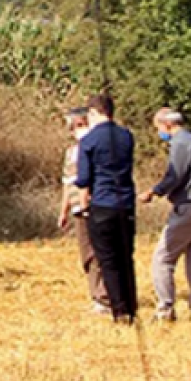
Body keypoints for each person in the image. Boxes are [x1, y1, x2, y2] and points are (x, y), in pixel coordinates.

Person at [139, 108, 191, 321]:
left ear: (168, 125)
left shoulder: (180, 143)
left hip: (187, 205)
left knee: (162, 257)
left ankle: (165, 309)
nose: (158, 133)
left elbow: (175, 175)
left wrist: (154, 192)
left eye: (158, 128)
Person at [74, 93, 138, 323]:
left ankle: (119, 311)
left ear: (93, 112)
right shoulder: (126, 136)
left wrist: (84, 207)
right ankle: (131, 307)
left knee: (108, 260)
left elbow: (83, 179)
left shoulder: (89, 141)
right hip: (126, 204)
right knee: (125, 258)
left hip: (102, 204)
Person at [58, 107, 110, 314]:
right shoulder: (71, 153)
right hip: (78, 209)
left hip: (96, 205)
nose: (76, 130)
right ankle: (97, 295)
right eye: (73, 127)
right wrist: (64, 211)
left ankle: (105, 297)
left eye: (80, 125)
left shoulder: (100, 149)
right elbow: (68, 183)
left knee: (100, 252)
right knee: (87, 253)